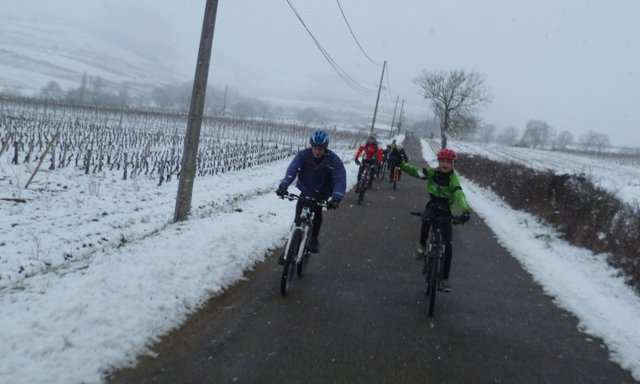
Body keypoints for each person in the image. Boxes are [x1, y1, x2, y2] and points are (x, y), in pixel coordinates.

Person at [399, 147, 471, 292]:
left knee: (448, 245)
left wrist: (465, 210)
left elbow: (459, 195)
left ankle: (444, 279)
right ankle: (422, 247)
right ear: (438, 162)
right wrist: (401, 164)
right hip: (432, 207)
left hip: (446, 210)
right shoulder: (432, 173)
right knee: (426, 219)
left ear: (452, 164)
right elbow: (416, 172)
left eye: (448, 162)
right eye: (442, 161)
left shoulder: (453, 179)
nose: (445, 164)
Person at [276, 130, 346, 260]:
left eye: (320, 149)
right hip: (306, 190)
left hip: (322, 192)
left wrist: (336, 197)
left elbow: (340, 178)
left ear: (325, 148)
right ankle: (289, 252)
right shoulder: (304, 155)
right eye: (315, 148)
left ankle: (314, 238)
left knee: (317, 212)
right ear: (311, 146)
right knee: (297, 220)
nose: (317, 151)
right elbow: (292, 170)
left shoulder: (333, 160)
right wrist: (284, 185)